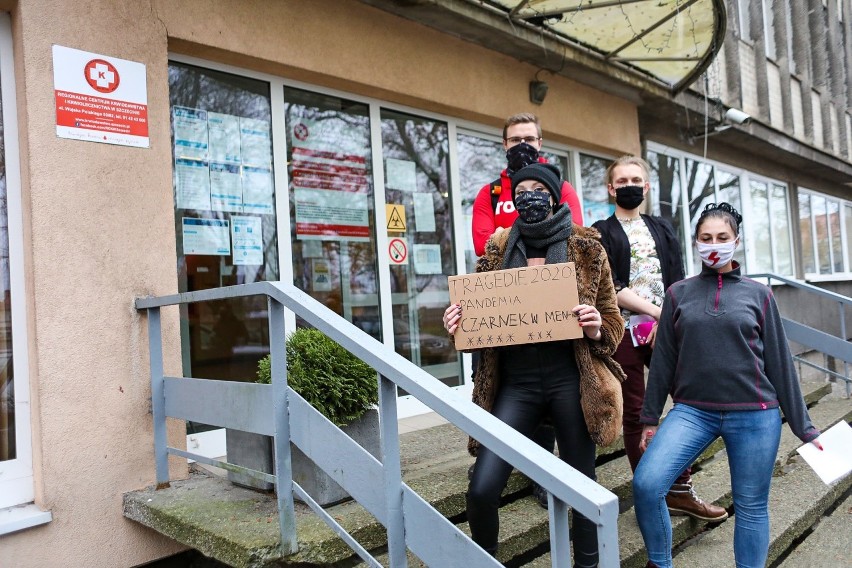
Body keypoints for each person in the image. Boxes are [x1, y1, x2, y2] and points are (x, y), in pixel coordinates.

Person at [444, 162, 624, 566]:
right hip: (517, 386)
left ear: (554, 196)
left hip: (571, 381)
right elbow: (477, 317)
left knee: (582, 488)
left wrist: (597, 327)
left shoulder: (587, 247)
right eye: (520, 189)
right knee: (482, 489)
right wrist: (457, 323)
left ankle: (588, 564)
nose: (529, 195)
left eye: (537, 189)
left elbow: (614, 319)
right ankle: (486, 559)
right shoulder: (496, 248)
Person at [632, 202, 824, 568]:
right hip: (692, 411)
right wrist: (651, 418)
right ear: (696, 243)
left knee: (751, 505)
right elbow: (663, 362)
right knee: (647, 484)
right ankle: (659, 562)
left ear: (737, 240)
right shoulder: (678, 294)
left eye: (722, 237)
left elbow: (781, 364)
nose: (714, 244)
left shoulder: (760, 295)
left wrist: (804, 427)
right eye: (706, 238)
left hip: (755, 414)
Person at [591, 155, 727, 522]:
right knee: (636, 413)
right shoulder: (599, 231)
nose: (629, 185)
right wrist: (655, 314)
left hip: (668, 330)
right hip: (623, 330)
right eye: (622, 180)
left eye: (636, 179)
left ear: (647, 186)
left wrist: (671, 320)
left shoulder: (662, 227)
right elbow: (608, 286)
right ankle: (654, 491)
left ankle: (680, 489)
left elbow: (680, 280)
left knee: (688, 405)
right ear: (610, 188)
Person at [470, 112, 584, 507]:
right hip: (505, 309)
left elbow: (575, 231)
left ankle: (541, 467)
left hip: (553, 316)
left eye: (529, 138)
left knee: (553, 391)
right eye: (515, 138)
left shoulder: (561, 185)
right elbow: (484, 243)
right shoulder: (490, 193)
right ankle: (495, 457)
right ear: (504, 145)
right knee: (499, 381)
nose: (523, 144)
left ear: (541, 143)